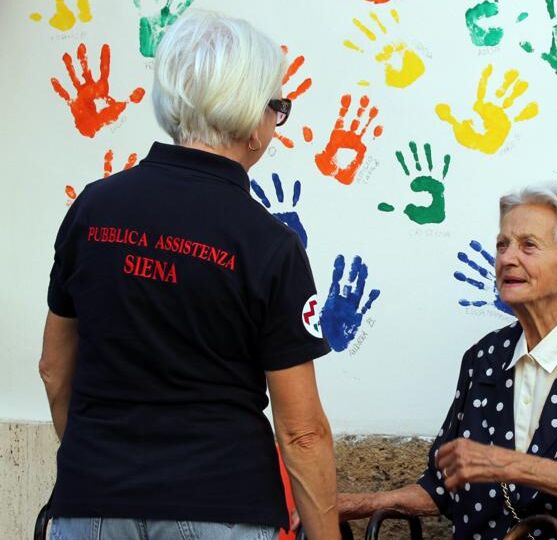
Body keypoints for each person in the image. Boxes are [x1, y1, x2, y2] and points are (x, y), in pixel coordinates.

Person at [39, 11, 340, 540]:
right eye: (278, 108)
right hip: (221, 504)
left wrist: (94, 467)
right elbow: (303, 432)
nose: (276, 123)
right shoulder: (269, 244)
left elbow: (53, 368)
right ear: (251, 119)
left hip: (90, 502)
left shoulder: (93, 209)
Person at [335, 182, 557, 539]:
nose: (507, 258)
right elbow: (443, 486)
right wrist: (353, 504)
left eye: (528, 246)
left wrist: (508, 464)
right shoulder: (485, 359)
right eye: (502, 245)